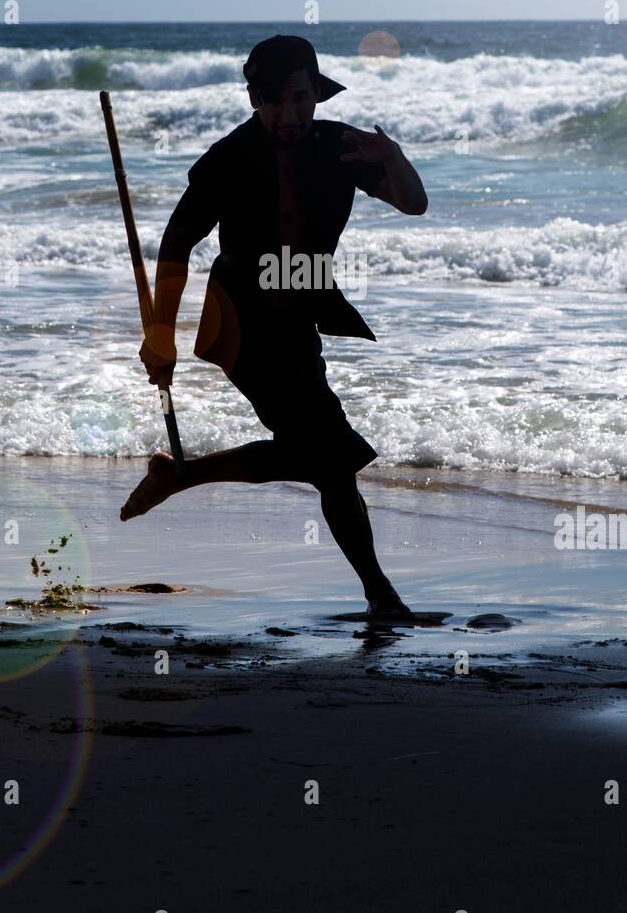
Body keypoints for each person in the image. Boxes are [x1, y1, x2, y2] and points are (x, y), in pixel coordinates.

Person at [120, 34, 428, 619]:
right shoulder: (228, 159)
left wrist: (393, 157)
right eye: (275, 102)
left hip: (299, 314)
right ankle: (381, 597)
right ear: (255, 99)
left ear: (316, 94)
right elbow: (178, 239)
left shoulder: (342, 147)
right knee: (331, 458)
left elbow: (414, 203)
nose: (289, 115)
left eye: (301, 100)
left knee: (318, 454)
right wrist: (161, 328)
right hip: (240, 318)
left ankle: (180, 475)